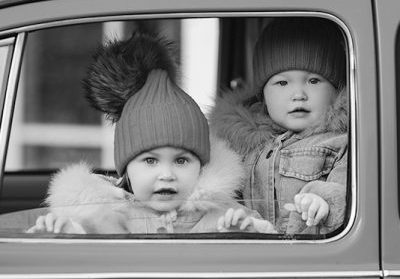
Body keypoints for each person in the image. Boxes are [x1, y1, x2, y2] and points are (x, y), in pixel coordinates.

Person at [28, 31, 275, 235]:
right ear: (126, 170)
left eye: (181, 160)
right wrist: (65, 231)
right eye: (150, 160)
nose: (166, 175)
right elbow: (82, 248)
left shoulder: (222, 213)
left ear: (202, 166)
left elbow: (268, 241)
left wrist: (245, 230)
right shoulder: (104, 214)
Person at [209, 17, 348, 235]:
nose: (298, 95)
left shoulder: (343, 142)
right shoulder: (241, 145)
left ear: (336, 87)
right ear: (263, 94)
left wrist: (323, 200)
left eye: (313, 81)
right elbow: (221, 195)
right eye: (282, 83)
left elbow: (349, 193)